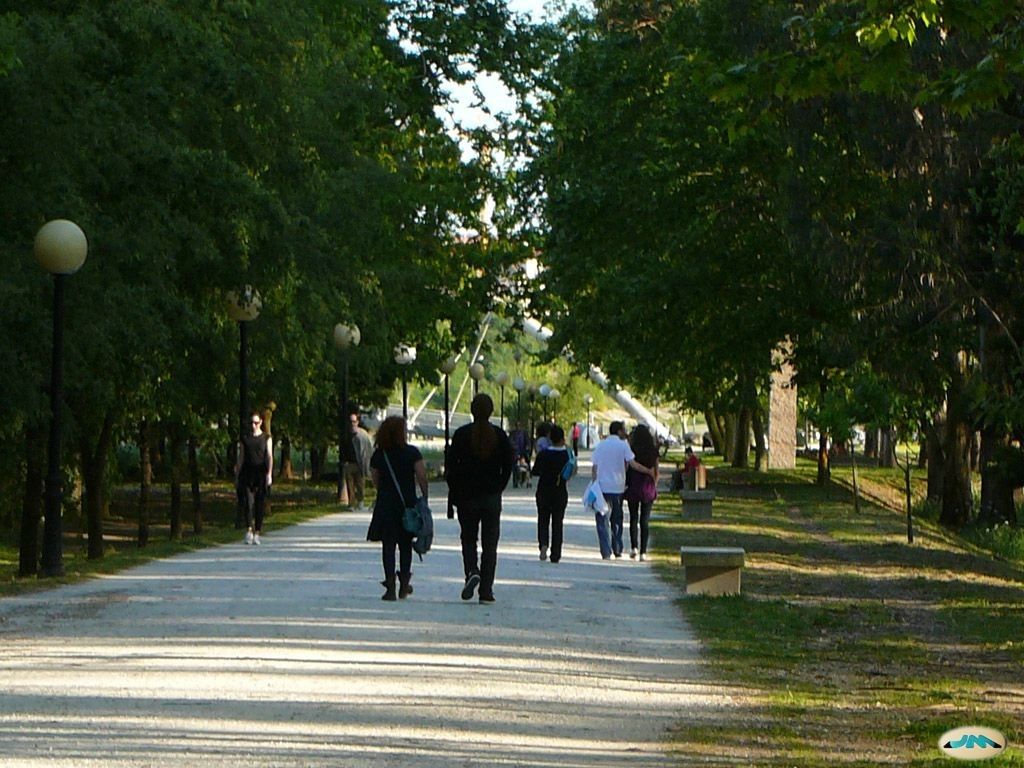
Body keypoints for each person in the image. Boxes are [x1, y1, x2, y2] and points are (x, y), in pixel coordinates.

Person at [446, 394, 514, 603]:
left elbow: (451, 467)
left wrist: (455, 491)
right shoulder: (499, 436)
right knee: (490, 544)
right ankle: (486, 590)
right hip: (491, 497)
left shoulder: (461, 435)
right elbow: (508, 464)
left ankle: (471, 571)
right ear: (491, 411)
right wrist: (499, 486)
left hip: (467, 496)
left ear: (472, 410)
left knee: (468, 538)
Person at [367, 416, 428, 601]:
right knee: (405, 545)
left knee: (388, 546)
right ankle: (404, 584)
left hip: (386, 505)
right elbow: (421, 476)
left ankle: (390, 585)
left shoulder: (379, 454)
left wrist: (385, 491)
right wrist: (424, 498)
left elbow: (375, 479)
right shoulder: (412, 453)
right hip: (406, 505)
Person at [590, 421, 654, 559]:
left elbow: (594, 467)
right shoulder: (623, 445)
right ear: (618, 431)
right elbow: (633, 464)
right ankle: (617, 548)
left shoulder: (600, 445)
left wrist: (594, 483)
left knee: (602, 519)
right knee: (617, 519)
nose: (625, 432)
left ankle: (606, 551)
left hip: (602, 486)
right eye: (624, 430)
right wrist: (648, 471)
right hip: (618, 486)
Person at [531, 424, 570, 563]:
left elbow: (535, 471)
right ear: (562, 439)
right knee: (557, 522)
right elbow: (571, 471)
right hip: (560, 490)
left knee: (543, 519)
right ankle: (556, 553)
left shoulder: (544, 454)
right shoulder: (567, 454)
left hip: (543, 490)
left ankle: (543, 545)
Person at [236, 410, 273, 545]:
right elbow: (241, 457)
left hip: (261, 474)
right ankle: (249, 530)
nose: (253, 425)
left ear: (261, 423)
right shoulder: (245, 439)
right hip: (247, 474)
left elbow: (269, 456)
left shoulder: (266, 438)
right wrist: (237, 473)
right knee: (248, 503)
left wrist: (269, 474)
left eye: (256, 422)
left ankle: (257, 532)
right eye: (251, 422)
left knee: (259, 503)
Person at [624, 425, 659, 561]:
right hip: (647, 486)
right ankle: (643, 552)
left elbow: (629, 466)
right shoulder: (653, 451)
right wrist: (654, 484)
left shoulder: (632, 449)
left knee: (633, 518)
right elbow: (657, 471)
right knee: (645, 519)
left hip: (633, 485)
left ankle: (634, 547)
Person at [342, 411, 373, 511]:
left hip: (360, 463)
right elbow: (343, 449)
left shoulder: (362, 434)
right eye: (351, 421)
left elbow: (368, 449)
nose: (352, 423)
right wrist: (344, 461)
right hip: (349, 463)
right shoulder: (346, 435)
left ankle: (360, 502)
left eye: (354, 421)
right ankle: (351, 504)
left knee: (360, 484)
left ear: (357, 422)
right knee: (350, 485)